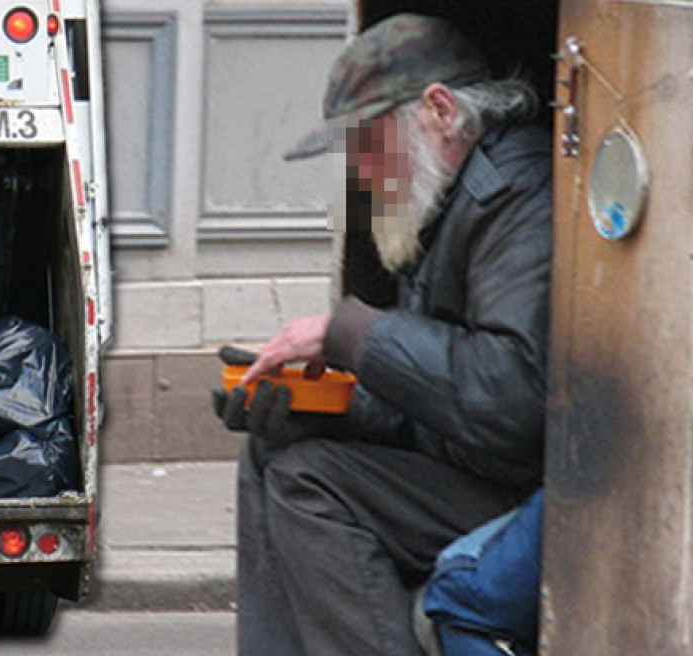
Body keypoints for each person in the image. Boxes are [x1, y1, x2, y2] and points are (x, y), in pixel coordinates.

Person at [212, 12, 552, 655]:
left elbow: (513, 398)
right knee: (274, 453)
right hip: (479, 468)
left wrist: (354, 333)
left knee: (310, 483)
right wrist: (323, 410)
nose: (360, 173)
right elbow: (435, 404)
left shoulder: (517, 192)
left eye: (368, 144)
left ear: (440, 111)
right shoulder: (451, 196)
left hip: (534, 496)